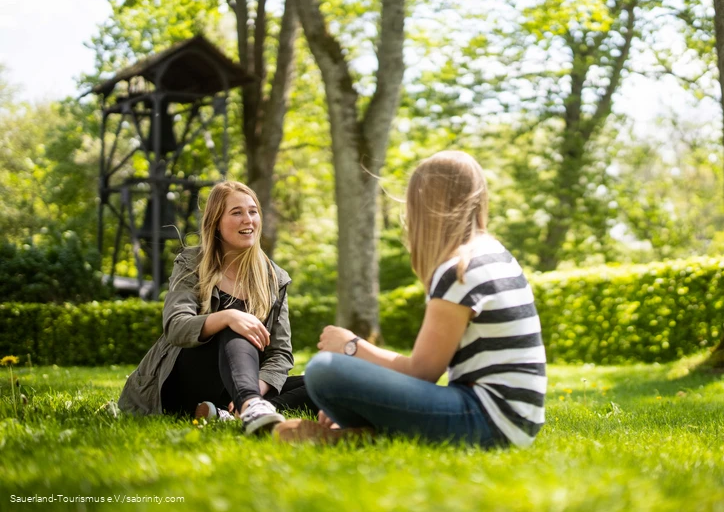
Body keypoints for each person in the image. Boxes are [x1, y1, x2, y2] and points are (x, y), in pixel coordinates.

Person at [275, 151, 547, 447]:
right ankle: (362, 435)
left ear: (424, 208)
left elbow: (422, 372)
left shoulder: (458, 269)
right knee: (335, 372)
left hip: (489, 421)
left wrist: (351, 346)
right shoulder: (494, 254)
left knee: (323, 369)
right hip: (516, 422)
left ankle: (363, 434)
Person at [118, 181, 317, 434]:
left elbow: (280, 353)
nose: (248, 220)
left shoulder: (274, 277)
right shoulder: (192, 262)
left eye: (253, 211)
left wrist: (258, 385)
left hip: (236, 385)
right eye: (237, 213)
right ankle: (251, 405)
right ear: (216, 223)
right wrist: (228, 316)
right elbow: (175, 326)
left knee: (324, 382)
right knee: (236, 324)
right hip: (181, 384)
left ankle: (238, 412)